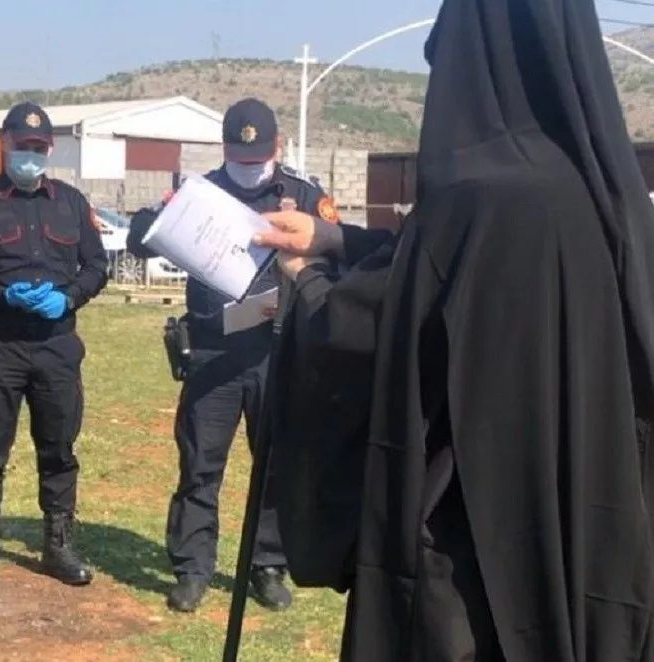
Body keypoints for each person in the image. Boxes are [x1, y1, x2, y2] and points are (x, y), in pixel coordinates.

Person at [255, 0, 654, 659]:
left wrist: (305, 284)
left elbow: (381, 324)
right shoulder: (605, 194)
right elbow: (440, 272)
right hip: (587, 531)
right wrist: (334, 238)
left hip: (467, 557)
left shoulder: (477, 194)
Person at [127, 97, 339, 613]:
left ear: (277, 147)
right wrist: (157, 216)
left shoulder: (303, 195)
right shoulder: (199, 195)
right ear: (224, 149)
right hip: (213, 351)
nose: (250, 166)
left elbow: (337, 256)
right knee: (200, 465)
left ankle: (268, 564)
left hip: (277, 353)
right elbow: (139, 242)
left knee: (276, 465)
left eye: (259, 157)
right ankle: (192, 568)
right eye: (241, 158)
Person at [0, 101, 109, 593]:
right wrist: (2, 295)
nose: (30, 156)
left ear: (49, 149)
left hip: (57, 345)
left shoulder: (72, 203)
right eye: (22, 146)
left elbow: (96, 266)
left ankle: (58, 545)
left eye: (38, 148)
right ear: (6, 143)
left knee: (59, 447)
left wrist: (69, 298)